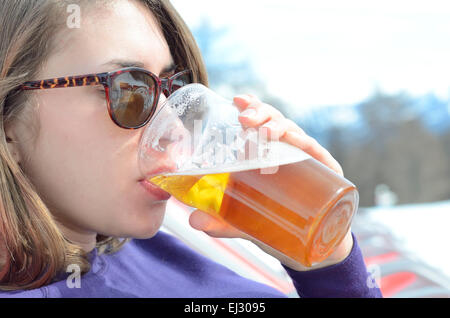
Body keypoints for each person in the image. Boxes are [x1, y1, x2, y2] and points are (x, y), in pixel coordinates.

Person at [0, 0, 382, 298]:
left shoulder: (155, 255)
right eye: (129, 90)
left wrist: (330, 263)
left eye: (172, 89)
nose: (174, 131)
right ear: (9, 121)